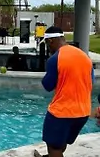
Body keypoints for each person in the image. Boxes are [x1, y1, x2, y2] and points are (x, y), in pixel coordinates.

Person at [33, 26, 94, 157]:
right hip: (83, 111)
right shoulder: (84, 56)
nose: (48, 48)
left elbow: (48, 85)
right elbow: (90, 81)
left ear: (50, 41)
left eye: (47, 44)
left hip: (62, 112)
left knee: (53, 146)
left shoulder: (55, 59)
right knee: (61, 141)